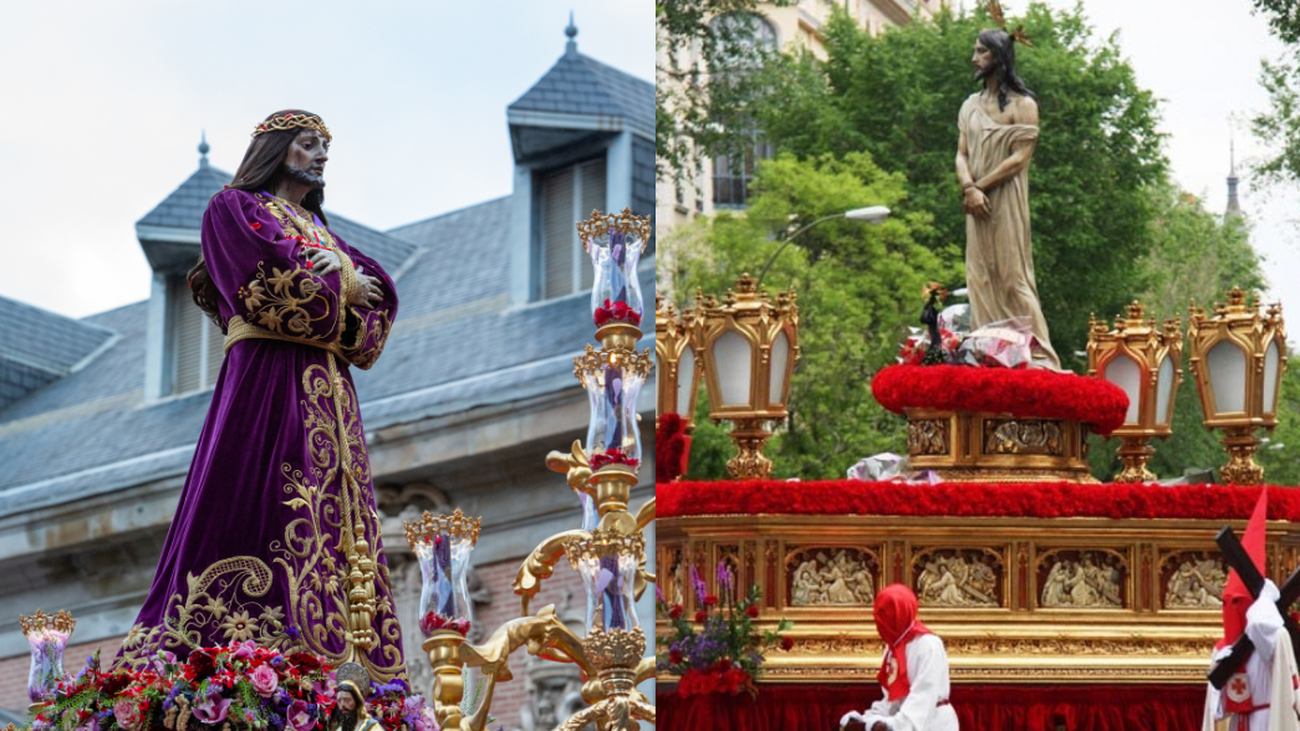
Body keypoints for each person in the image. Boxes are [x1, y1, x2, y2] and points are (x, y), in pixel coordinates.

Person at [116, 110, 406, 682]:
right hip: (269, 385)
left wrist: (342, 272)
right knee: (265, 498)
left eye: (326, 146)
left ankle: (343, 661)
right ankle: (249, 652)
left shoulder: (325, 233)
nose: (322, 155)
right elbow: (267, 284)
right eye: (308, 144)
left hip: (331, 400)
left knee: (339, 527)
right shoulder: (234, 208)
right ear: (276, 150)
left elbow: (381, 304)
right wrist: (345, 282)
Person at [955, 27, 1060, 370]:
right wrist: (969, 188)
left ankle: (1041, 354)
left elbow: (1019, 158)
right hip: (975, 203)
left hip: (1005, 202)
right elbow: (961, 154)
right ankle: (987, 352)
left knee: (1013, 276)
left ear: (999, 57)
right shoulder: (970, 106)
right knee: (980, 276)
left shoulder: (1024, 105)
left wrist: (979, 187)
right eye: (975, 51)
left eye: (981, 52)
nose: (974, 58)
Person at [1203, 489, 1300, 731]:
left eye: (1238, 602)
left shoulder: (1271, 642)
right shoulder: (1224, 651)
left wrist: (1265, 597)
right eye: (1227, 602)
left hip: (1268, 722)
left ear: (1253, 606)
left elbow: (1259, 625)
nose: (1230, 608)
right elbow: (1217, 710)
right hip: (1239, 724)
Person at [840, 584, 959, 731]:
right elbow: (893, 698)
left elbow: (923, 697)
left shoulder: (927, 645)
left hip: (931, 722)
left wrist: (893, 725)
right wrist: (868, 719)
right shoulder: (893, 648)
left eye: (885, 615)